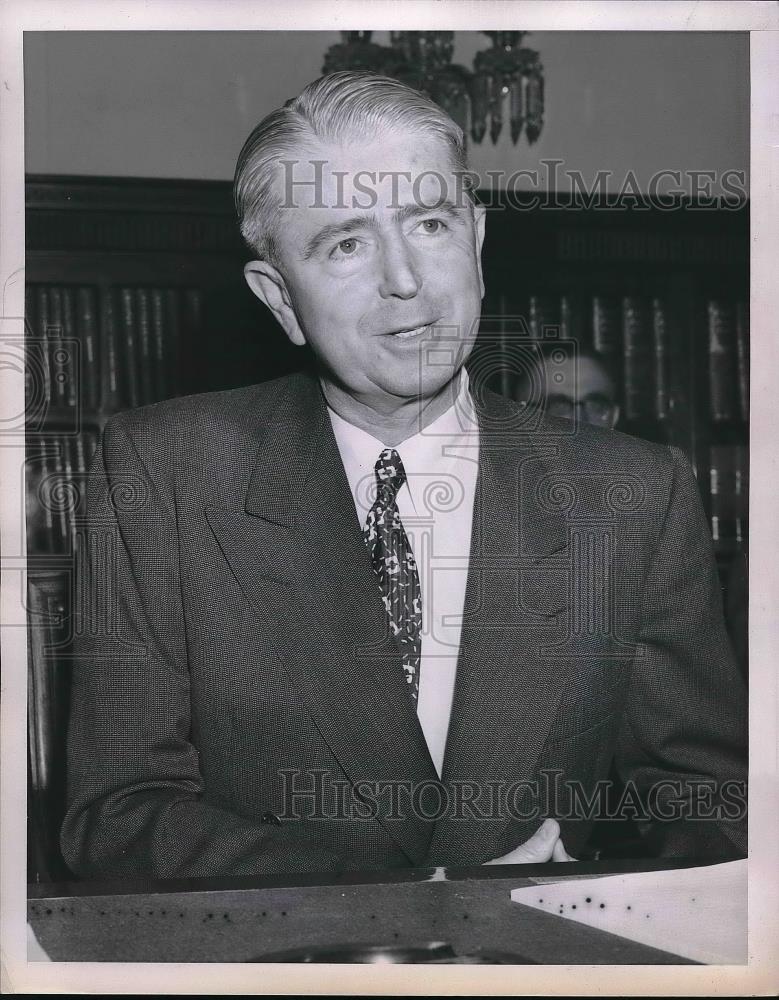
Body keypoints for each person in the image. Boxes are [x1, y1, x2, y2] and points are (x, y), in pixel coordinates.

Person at [60, 72, 747, 879]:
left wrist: (589, 899)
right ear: (278, 298)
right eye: (346, 243)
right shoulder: (168, 471)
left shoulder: (633, 495)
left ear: (477, 242)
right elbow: (117, 817)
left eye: (428, 223)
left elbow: (707, 805)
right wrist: (398, 899)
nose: (404, 280)